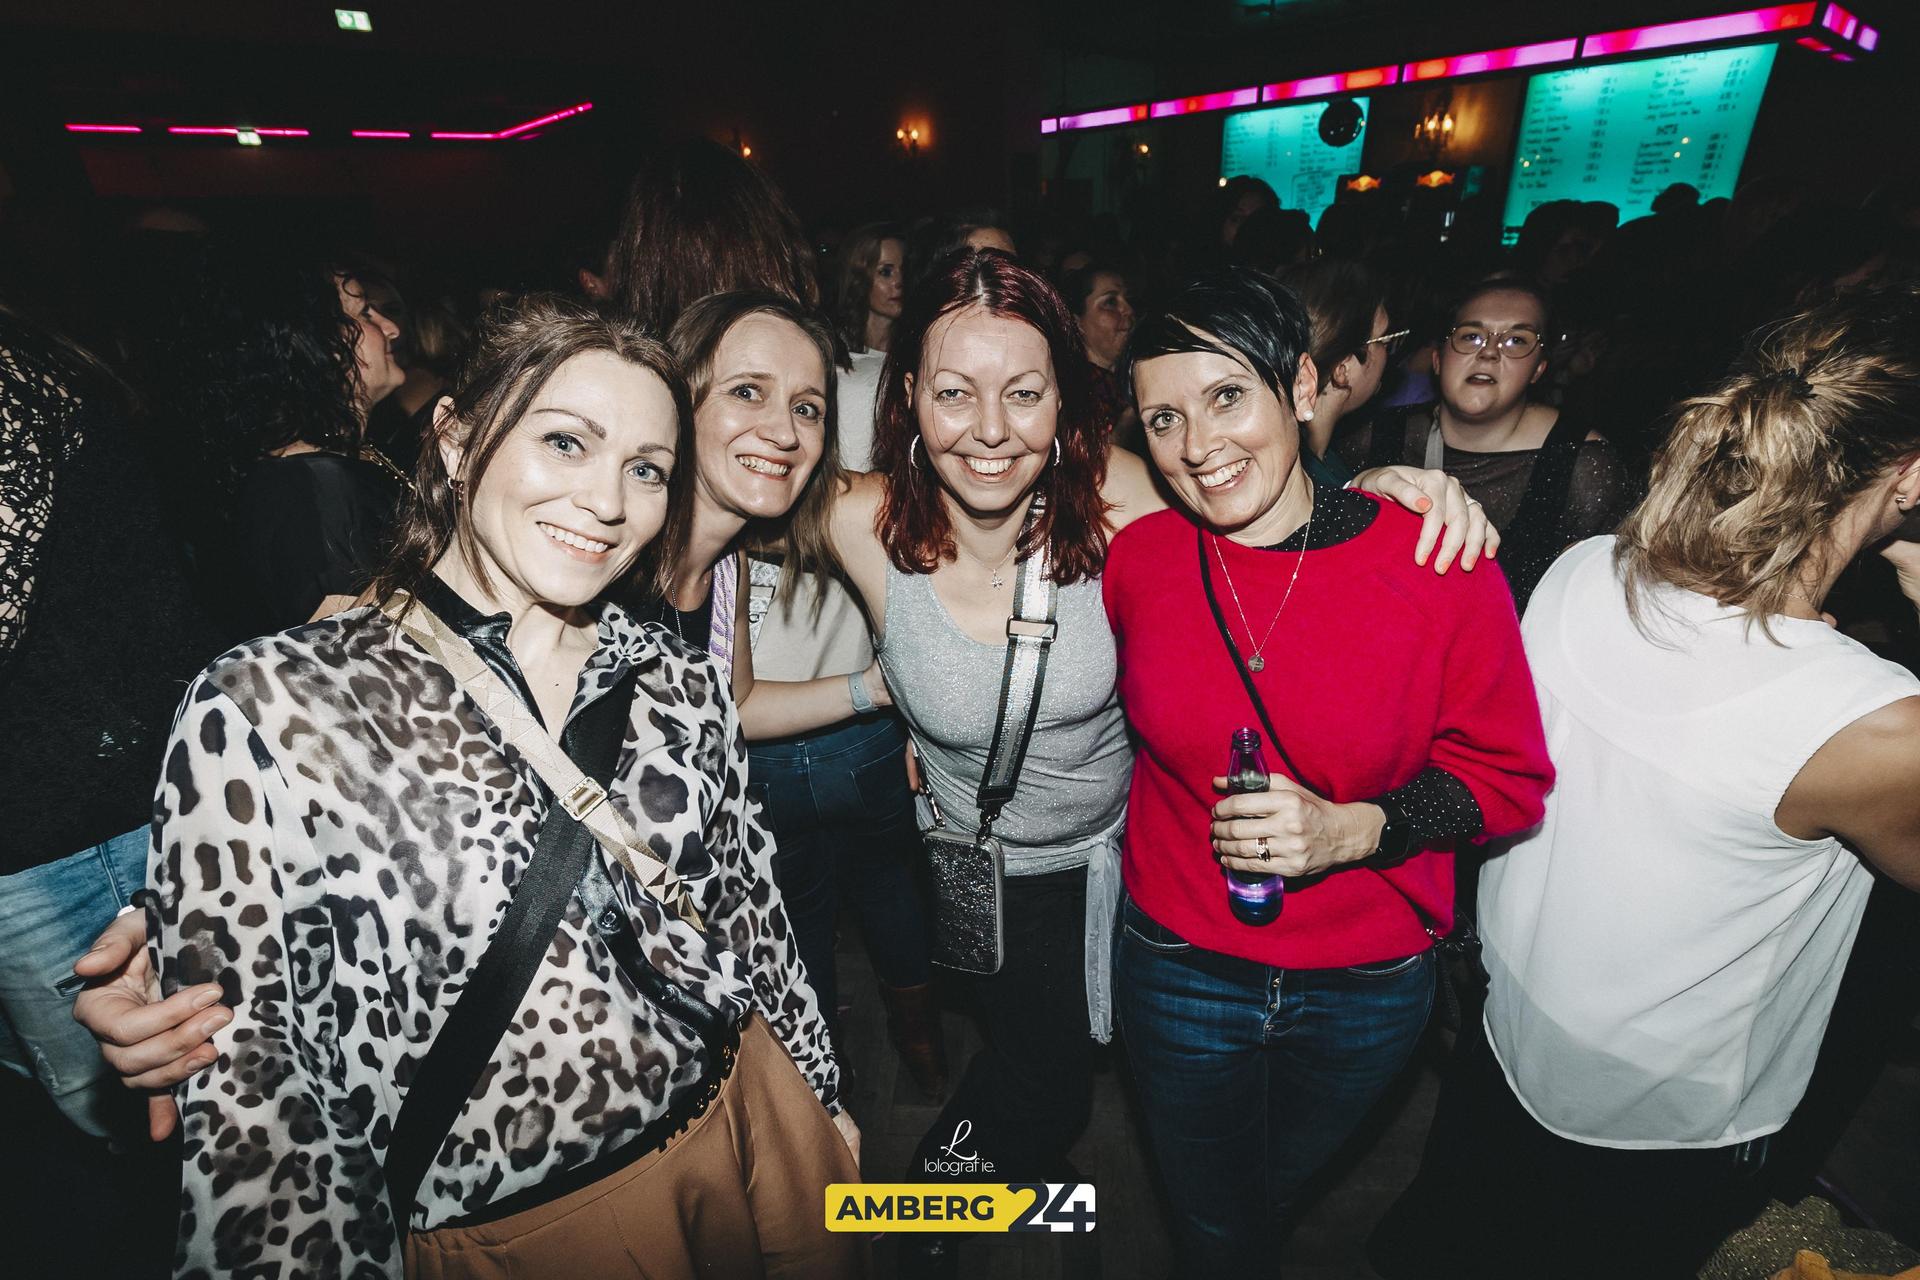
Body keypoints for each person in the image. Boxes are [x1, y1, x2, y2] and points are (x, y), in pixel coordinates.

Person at [77, 252, 1497, 1182]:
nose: (989, 426)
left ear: (1071, 407)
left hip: (1102, 879)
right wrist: (373, 621)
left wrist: (1398, 494)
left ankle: (918, 1231)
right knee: (1017, 1079)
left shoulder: (1128, 503)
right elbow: (699, 476)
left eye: (1024, 392)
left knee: (1041, 1105)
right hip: (951, 880)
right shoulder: (868, 523)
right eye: (951, 391)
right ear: (908, 410)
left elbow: (1269, 510)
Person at [141, 293, 861, 1278]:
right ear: (455, 439)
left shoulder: (674, 676)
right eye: (566, 442)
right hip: (529, 1226)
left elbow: (747, 921)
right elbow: (261, 1110)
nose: (609, 501)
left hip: (747, 1125)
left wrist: (821, 1099)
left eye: (645, 468)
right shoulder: (274, 705)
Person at [1370, 283, 1920, 1280]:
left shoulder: (1583, 567)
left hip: (1504, 1032)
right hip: (1661, 1121)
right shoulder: (1867, 722)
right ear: (1910, 472)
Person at [1104, 268, 1553, 1276]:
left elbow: (1507, 779)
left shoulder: (1438, 563)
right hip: (1176, 957)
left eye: (1228, 396)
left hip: (1364, 979)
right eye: (1163, 417)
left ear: (1301, 386)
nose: (1199, 443)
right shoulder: (1141, 562)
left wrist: (1357, 828)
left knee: (1258, 1189)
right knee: (1217, 1219)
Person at [0, 301, 221, 1144]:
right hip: (86, 801)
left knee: (157, 1116)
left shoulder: (14, 384)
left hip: (79, 823)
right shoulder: (43, 364)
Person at [145, 243, 409, 636]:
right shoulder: (309, 489)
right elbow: (356, 662)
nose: (391, 328)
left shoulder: (327, 467)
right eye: (363, 313)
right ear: (311, 343)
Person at [1348, 277, 1633, 612]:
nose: (1488, 354)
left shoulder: (1581, 464)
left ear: (1538, 369)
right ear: (1438, 359)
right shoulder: (1376, 437)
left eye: (1515, 340)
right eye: (1471, 336)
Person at [1278, 257, 1403, 486]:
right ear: (1342, 369)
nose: (1388, 354)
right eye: (1384, 341)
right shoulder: (1310, 483)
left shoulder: (1321, 458)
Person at [1057, 262, 1138, 447]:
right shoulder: (1072, 393)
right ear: (1076, 322)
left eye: (1128, 299)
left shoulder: (1132, 376)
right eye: (1110, 302)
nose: (1128, 311)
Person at [831, 222, 907, 355]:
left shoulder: (917, 348)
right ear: (858, 278)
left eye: (904, 270)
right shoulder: (834, 349)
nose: (899, 281)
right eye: (885, 272)